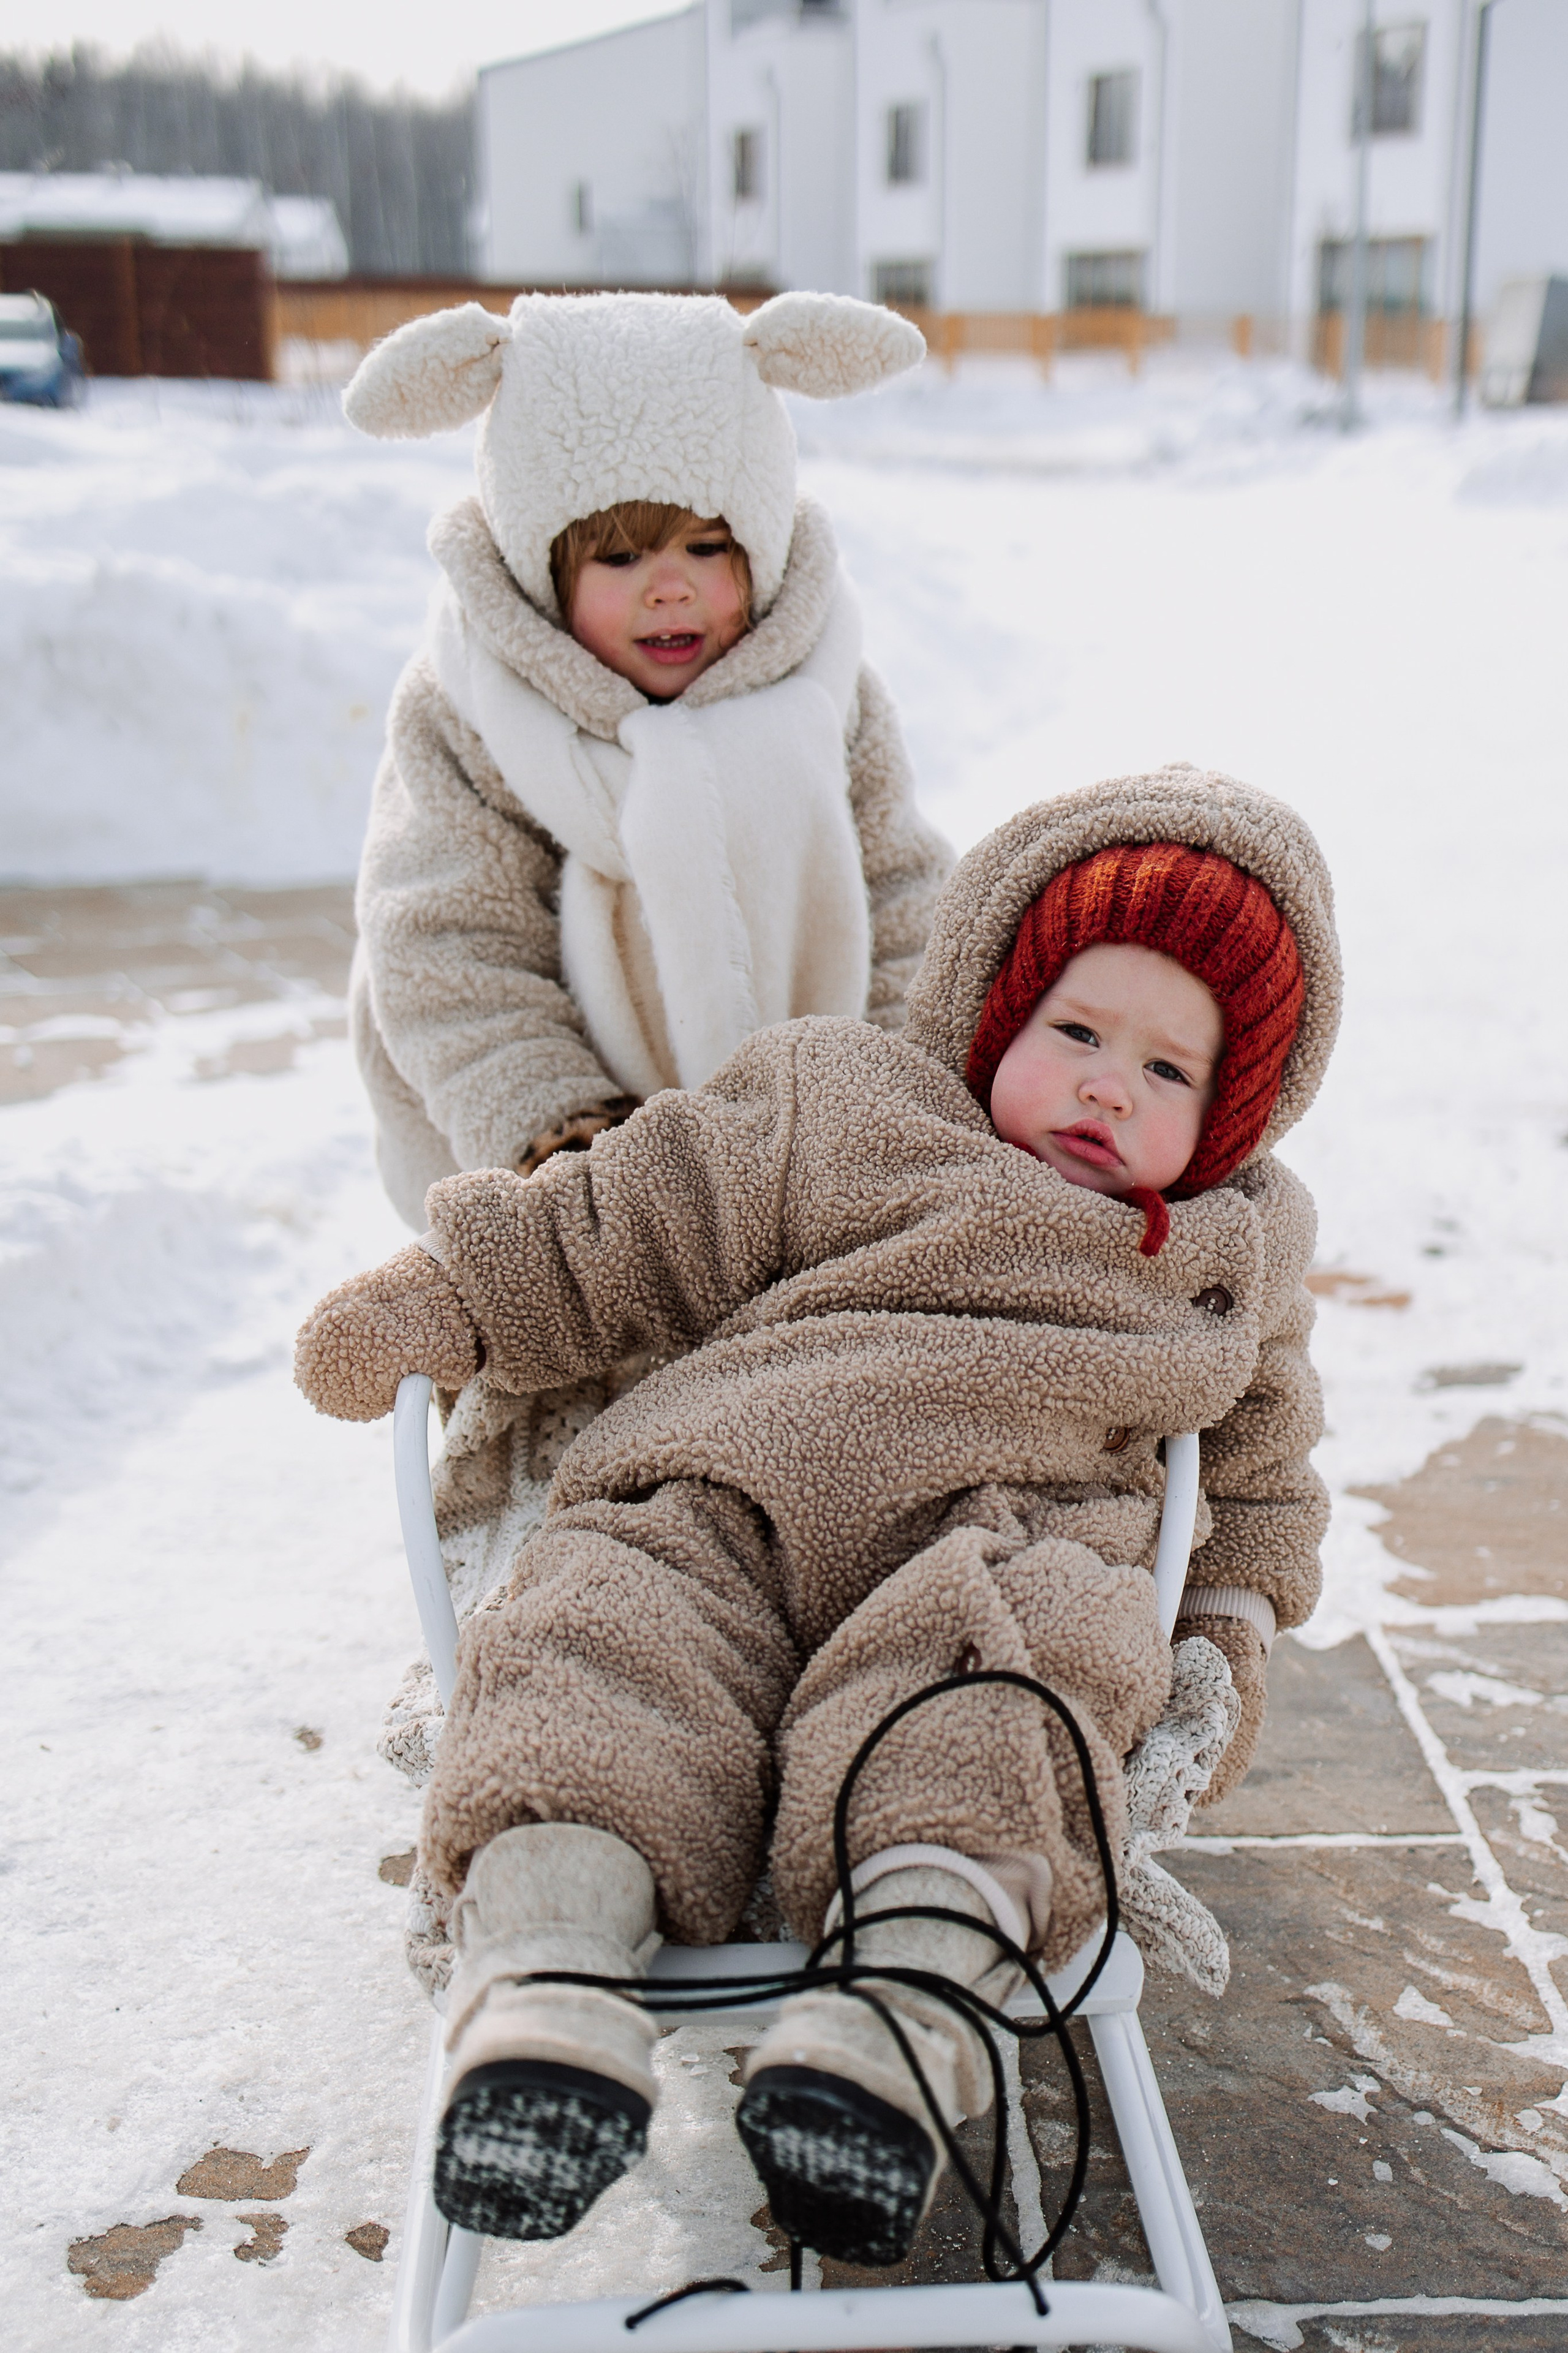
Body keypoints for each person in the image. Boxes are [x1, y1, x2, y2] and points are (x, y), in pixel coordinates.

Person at [296, 764, 1340, 2269]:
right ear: (996, 1006)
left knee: (998, 1710)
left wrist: (1227, 1623)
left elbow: (1255, 1467)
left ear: (1232, 1111)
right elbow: (626, 1218)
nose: (1108, 1085)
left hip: (1007, 1544)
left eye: (1168, 1070)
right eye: (1075, 1033)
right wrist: (453, 1294)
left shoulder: (1233, 1248)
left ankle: (893, 2024)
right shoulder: (837, 1102)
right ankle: (546, 1978)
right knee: (602, 1633)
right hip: (729, 1490)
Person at [341, 287, 951, 1233]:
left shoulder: (825, 692)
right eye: (620, 558)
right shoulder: (475, 709)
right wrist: (564, 1143)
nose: (670, 589)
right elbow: (450, 946)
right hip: (557, 1188)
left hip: (808, 1165)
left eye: (706, 547)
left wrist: (882, 1113)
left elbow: (906, 901)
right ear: (543, 572)